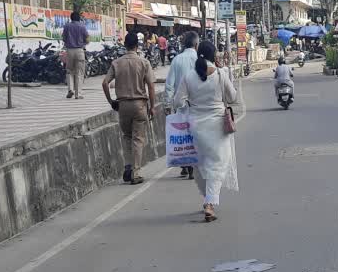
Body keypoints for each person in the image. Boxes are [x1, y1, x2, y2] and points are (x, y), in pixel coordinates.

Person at [173, 41, 244, 222]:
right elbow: (232, 97)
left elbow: (178, 101)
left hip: (195, 127)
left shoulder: (189, 77)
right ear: (214, 56)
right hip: (217, 126)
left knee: (199, 165)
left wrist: (190, 105)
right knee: (217, 165)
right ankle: (210, 203)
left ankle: (207, 199)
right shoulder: (220, 74)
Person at [102, 33, 157, 185]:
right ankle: (136, 172)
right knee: (138, 139)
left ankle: (127, 166)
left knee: (127, 136)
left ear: (125, 45)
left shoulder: (116, 63)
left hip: (123, 105)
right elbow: (151, 86)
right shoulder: (144, 62)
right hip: (139, 104)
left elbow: (105, 83)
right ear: (137, 46)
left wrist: (111, 101)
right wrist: (152, 107)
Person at [165, 31, 201, 179]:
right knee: (195, 135)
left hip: (180, 104)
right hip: (197, 104)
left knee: (183, 135)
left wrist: (168, 104)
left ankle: (185, 165)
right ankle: (193, 165)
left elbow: (169, 85)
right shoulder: (199, 60)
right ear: (196, 45)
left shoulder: (177, 60)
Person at [62, 11, 89, 99]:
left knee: (69, 71)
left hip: (69, 50)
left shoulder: (67, 26)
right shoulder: (82, 26)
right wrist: (84, 43)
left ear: (71, 18)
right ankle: (78, 94)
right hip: (79, 50)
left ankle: (70, 89)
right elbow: (87, 38)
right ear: (79, 18)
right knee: (79, 72)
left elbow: (64, 38)